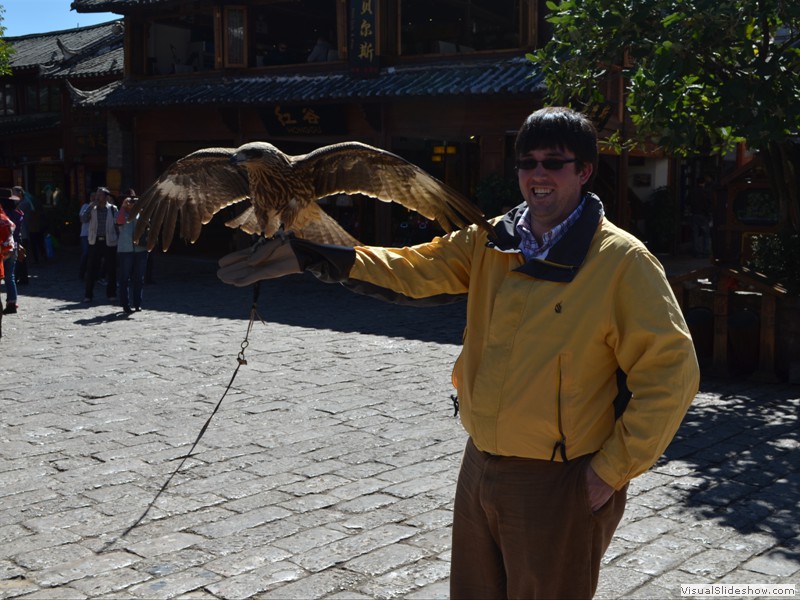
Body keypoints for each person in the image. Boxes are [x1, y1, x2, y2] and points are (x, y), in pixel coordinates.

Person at [216, 107, 700, 598]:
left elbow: (671, 375)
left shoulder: (622, 262)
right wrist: (317, 255)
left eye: (554, 162)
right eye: (527, 162)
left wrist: (608, 473)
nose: (538, 174)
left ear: (584, 171)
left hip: (558, 480)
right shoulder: (493, 240)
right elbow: (414, 269)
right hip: (480, 465)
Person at [81, 187, 119, 303]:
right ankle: (88, 295)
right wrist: (91, 206)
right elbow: (83, 219)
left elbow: (118, 224)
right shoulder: (92, 208)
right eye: (96, 195)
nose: (97, 197)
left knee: (111, 269)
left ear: (106, 197)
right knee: (92, 269)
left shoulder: (112, 209)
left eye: (100, 195)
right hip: (95, 241)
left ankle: (111, 294)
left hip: (109, 242)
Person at [115, 189, 150, 313]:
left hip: (140, 249)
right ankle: (125, 304)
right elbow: (119, 222)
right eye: (129, 199)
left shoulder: (141, 212)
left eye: (133, 199)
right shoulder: (121, 212)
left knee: (139, 278)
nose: (131, 201)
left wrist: (140, 208)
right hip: (125, 249)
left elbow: (148, 224)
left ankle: (137, 303)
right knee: (124, 278)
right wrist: (124, 207)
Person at [0, 192, 24, 314]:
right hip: (14, 246)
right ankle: (12, 302)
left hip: (2, 249)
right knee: (10, 276)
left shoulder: (3, 215)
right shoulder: (18, 214)